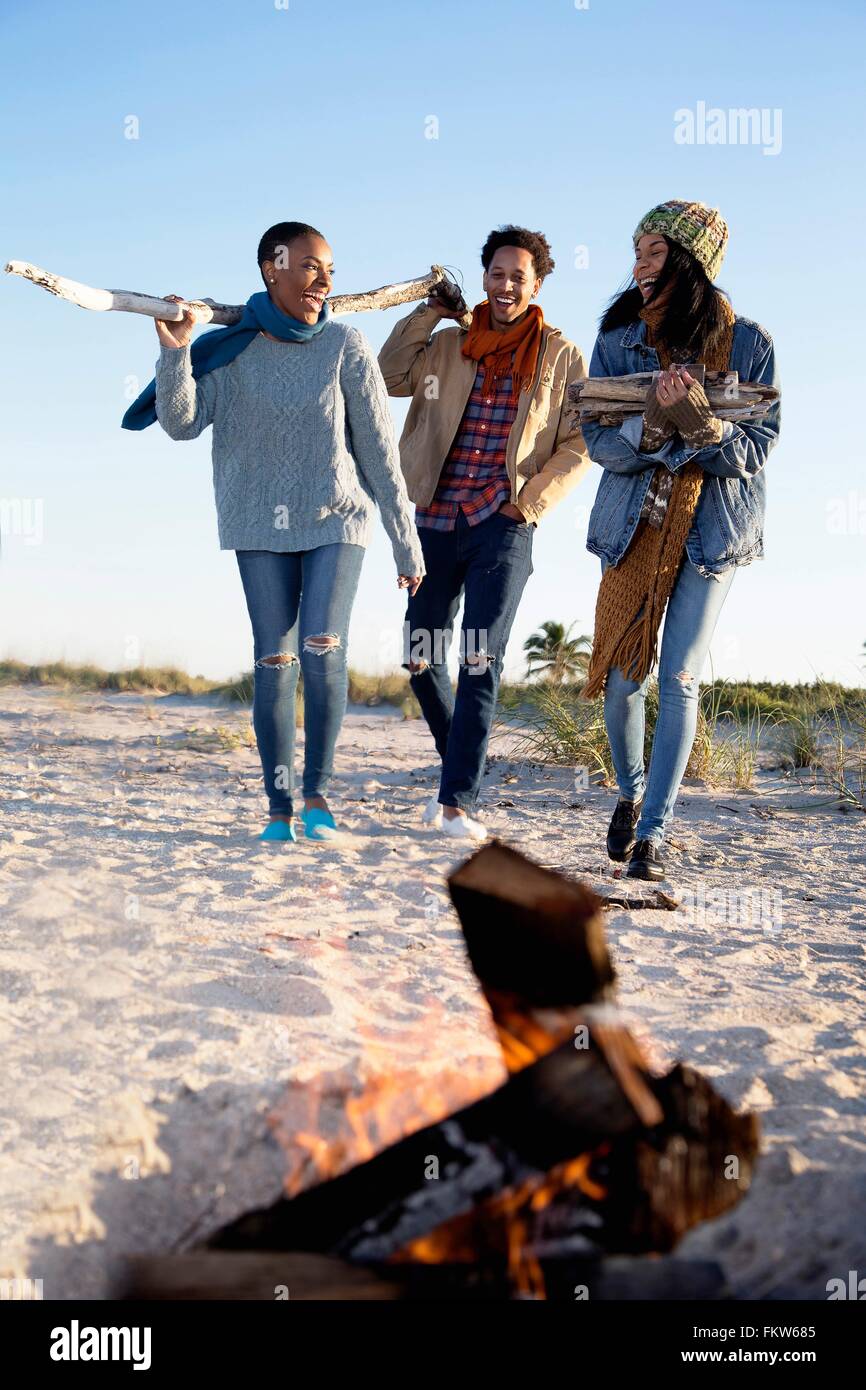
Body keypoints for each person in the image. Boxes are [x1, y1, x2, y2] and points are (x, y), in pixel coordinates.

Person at [122, 221, 424, 842]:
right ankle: (279, 809)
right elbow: (180, 424)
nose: (324, 281)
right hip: (257, 521)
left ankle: (317, 796)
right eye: (311, 266)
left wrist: (405, 539)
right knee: (275, 660)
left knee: (321, 644)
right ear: (272, 269)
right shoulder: (230, 348)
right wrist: (177, 351)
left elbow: (378, 452)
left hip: (336, 517)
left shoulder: (345, 344)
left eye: (330, 270)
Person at [580, 200, 781, 879]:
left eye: (656, 252)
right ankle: (630, 792)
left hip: (713, 531)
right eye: (636, 251)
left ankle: (654, 834)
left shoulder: (750, 343)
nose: (639, 264)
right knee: (622, 681)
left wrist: (703, 427)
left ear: (692, 262)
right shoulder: (618, 340)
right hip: (635, 524)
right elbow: (598, 441)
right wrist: (653, 429)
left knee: (680, 676)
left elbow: (756, 448)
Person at [379, 225, 591, 840]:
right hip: (435, 516)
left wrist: (528, 504)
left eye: (518, 277)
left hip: (502, 523)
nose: (505, 286)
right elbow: (388, 376)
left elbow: (580, 441)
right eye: (496, 274)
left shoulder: (561, 356)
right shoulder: (449, 343)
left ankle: (457, 806)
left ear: (537, 284)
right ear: (484, 278)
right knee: (420, 656)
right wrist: (428, 313)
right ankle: (457, 775)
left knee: (479, 656)